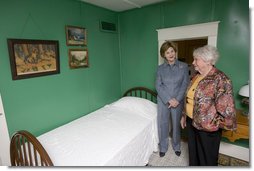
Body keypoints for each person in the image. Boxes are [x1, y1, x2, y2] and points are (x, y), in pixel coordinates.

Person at [180, 45, 237, 166]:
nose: (193, 62)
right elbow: (189, 99)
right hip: (192, 122)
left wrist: (213, 124)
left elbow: (227, 108)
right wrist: (184, 116)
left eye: (196, 59)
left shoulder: (220, 79)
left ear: (208, 61)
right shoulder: (196, 76)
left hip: (207, 128)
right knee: (193, 154)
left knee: (207, 158)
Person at [155, 41, 189, 157]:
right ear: (164, 55)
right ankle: (163, 147)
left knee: (176, 125)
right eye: (167, 52)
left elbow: (185, 85)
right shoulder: (160, 69)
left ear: (175, 52)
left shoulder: (183, 66)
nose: (170, 54)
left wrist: (177, 100)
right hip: (163, 100)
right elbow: (158, 86)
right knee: (163, 124)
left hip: (177, 102)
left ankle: (176, 146)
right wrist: (169, 99)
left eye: (172, 51)